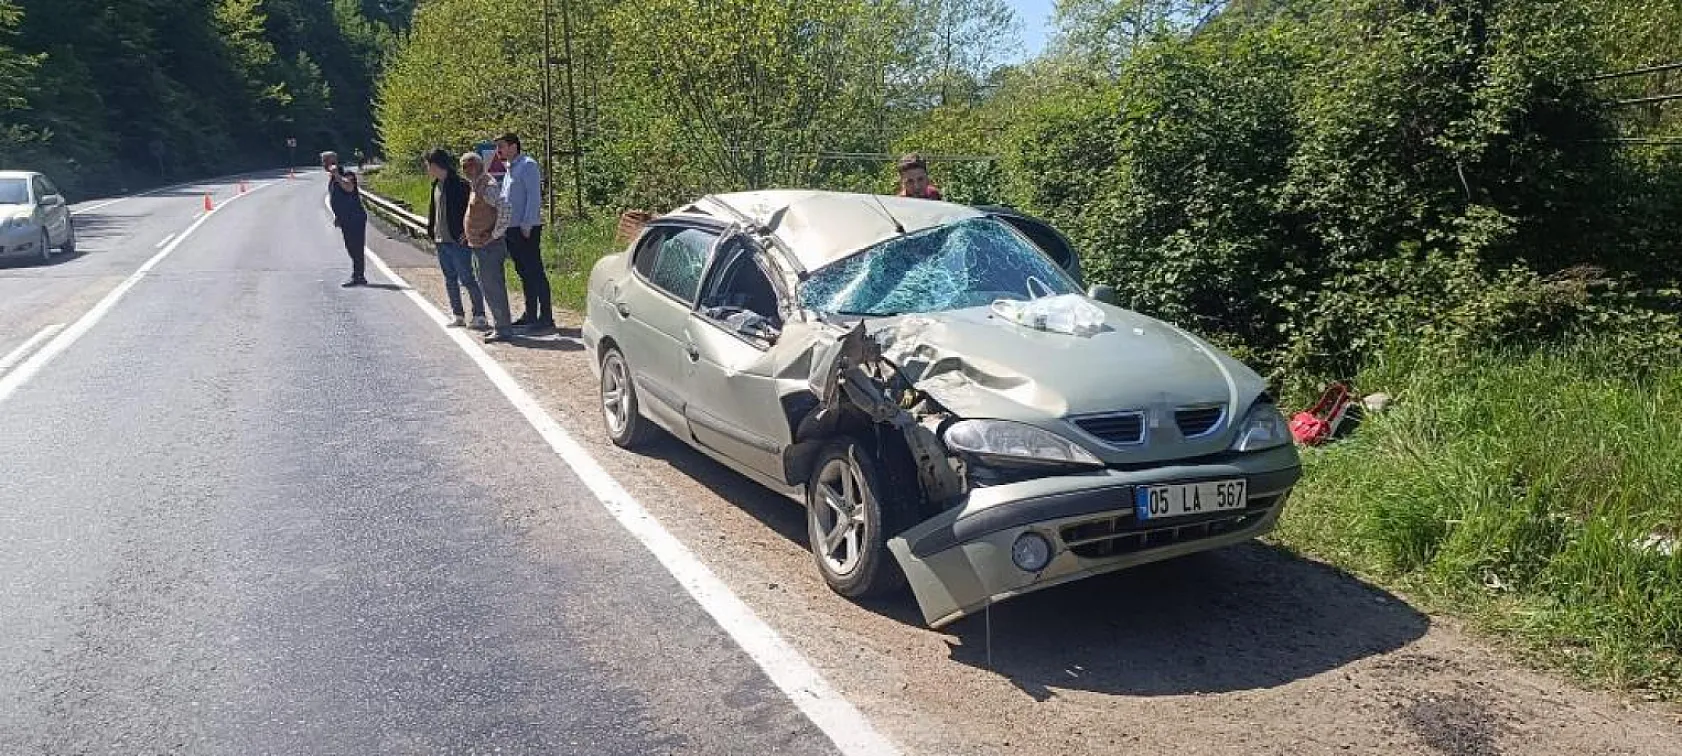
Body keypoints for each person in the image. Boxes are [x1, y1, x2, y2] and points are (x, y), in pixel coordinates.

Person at [495, 132, 554, 334]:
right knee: (523, 272)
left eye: (501, 146)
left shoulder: (528, 165)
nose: (498, 151)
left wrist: (527, 223)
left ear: (513, 146)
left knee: (535, 271)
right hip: (512, 229)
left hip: (525, 228)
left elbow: (533, 196)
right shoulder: (510, 169)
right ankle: (530, 314)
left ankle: (546, 317)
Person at [425, 149, 489, 330]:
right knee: (450, 279)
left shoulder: (460, 185)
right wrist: (431, 232)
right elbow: (433, 211)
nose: (427, 169)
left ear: (436, 165)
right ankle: (458, 315)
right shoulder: (435, 185)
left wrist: (466, 232)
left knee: (467, 278)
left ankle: (479, 315)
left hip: (457, 241)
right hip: (440, 240)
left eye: (428, 165)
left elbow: (472, 211)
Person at [461, 152, 517, 344]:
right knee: (488, 287)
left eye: (469, 165)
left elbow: (506, 208)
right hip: (479, 246)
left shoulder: (488, 186)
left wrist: (494, 234)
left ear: (478, 165)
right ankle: (500, 326)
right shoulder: (476, 185)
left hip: (490, 247)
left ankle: (503, 329)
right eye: (463, 166)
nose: (466, 170)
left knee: (493, 287)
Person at [323, 151, 368, 287]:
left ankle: (359, 276)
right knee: (350, 247)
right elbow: (338, 198)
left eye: (326, 161)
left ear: (334, 161)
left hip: (355, 217)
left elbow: (349, 188)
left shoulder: (346, 174)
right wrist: (338, 216)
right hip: (345, 218)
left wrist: (336, 174)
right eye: (323, 161)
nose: (324, 164)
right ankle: (358, 274)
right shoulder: (332, 178)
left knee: (356, 247)